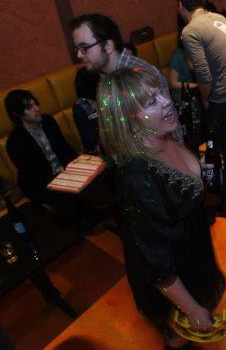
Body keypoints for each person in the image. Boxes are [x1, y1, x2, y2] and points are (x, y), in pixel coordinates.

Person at [97, 68, 225, 350]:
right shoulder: (138, 178)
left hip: (194, 254)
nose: (167, 101)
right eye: (152, 101)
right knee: (181, 340)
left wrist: (201, 168)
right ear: (129, 122)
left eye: (162, 92)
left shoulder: (163, 137)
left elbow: (175, 187)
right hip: (175, 278)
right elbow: (156, 265)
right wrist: (191, 309)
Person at [177, 0, 226, 217]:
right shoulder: (220, 18)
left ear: (180, 5)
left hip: (224, 98)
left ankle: (224, 200)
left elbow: (204, 77)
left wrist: (206, 101)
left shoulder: (190, 30)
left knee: (216, 150)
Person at [71, 13, 183, 144]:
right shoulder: (103, 77)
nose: (79, 54)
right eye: (77, 49)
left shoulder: (142, 74)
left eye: (84, 48)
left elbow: (172, 132)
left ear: (108, 46)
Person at [5, 90, 97, 235]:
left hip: (62, 172)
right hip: (41, 182)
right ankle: (68, 223)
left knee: (94, 183)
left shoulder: (48, 121)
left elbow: (64, 148)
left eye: (36, 103)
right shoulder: (15, 142)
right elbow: (33, 174)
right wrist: (63, 182)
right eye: (29, 107)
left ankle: (88, 216)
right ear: (17, 114)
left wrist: (78, 167)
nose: (37, 108)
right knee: (69, 204)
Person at [73, 67, 101, 155]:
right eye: (99, 82)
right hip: (96, 151)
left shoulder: (103, 98)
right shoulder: (79, 107)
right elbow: (88, 138)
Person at [168, 30, 198, 105]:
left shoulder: (198, 52)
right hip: (181, 92)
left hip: (196, 89)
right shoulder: (177, 55)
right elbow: (173, 83)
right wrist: (196, 86)